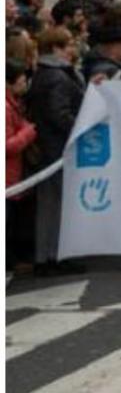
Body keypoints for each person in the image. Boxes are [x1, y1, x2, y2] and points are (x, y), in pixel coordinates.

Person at [28, 27, 85, 275]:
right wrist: (82, 125)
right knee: (60, 204)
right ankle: (57, 256)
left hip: (46, 147)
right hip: (59, 149)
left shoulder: (41, 75)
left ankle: (46, 256)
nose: (73, 49)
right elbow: (59, 114)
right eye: (68, 44)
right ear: (56, 49)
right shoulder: (59, 77)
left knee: (48, 206)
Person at [7, 61, 37, 275]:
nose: (25, 83)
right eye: (22, 80)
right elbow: (8, 146)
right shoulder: (6, 108)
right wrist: (29, 131)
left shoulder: (13, 104)